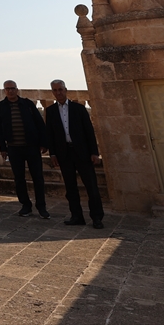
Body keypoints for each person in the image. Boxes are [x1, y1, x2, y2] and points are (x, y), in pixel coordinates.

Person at [45, 79, 104, 229]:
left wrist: (94, 152)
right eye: (55, 90)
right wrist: (52, 154)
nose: (58, 92)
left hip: (82, 152)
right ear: (53, 92)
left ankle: (97, 217)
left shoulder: (79, 109)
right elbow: (50, 134)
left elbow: (89, 131)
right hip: (64, 153)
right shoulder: (51, 111)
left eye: (60, 89)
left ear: (65, 90)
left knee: (91, 186)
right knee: (70, 188)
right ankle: (76, 216)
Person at [0, 80, 49, 218]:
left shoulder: (27, 104)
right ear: (4, 91)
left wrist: (44, 143)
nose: (10, 91)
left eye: (12, 88)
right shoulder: (0, 107)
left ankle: (41, 206)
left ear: (17, 89)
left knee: (38, 177)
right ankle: (26, 205)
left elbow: (40, 123)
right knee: (19, 178)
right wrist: (3, 148)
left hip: (31, 146)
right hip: (13, 148)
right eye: (7, 89)